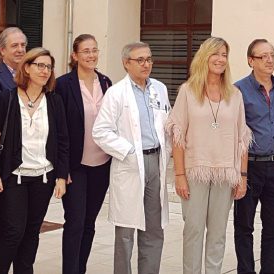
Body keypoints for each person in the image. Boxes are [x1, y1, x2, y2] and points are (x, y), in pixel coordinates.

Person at [0, 47, 69, 274]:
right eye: (40, 65)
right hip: (12, 177)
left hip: (44, 178)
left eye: (48, 66)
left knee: (31, 232)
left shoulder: (54, 102)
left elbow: (63, 142)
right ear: (26, 67)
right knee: (13, 232)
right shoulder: (7, 98)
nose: (45, 71)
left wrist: (61, 176)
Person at [166, 36, 251, 274]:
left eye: (224, 55)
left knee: (218, 233)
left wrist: (242, 175)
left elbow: (242, 138)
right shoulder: (188, 91)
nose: (220, 59)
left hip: (225, 173)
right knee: (193, 230)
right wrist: (180, 175)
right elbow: (178, 134)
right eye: (216, 54)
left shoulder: (235, 94)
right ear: (205, 57)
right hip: (195, 171)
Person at [92, 41, 172, 274]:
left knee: (154, 228)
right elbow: (100, 131)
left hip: (156, 162)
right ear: (126, 63)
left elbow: (166, 124)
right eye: (140, 60)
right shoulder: (116, 93)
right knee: (126, 232)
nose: (146, 64)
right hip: (130, 164)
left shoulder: (160, 88)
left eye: (148, 59)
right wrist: (128, 151)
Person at [56, 34, 115, 274]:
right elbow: (59, 129)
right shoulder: (63, 84)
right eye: (86, 51)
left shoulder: (106, 82)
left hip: (102, 164)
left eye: (95, 50)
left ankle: (80, 269)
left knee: (89, 223)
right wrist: (62, 168)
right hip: (75, 166)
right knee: (75, 222)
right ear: (75, 55)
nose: (91, 55)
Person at [233, 38, 274, 274]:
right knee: (244, 226)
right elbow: (235, 132)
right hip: (250, 167)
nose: (269, 60)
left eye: (272, 55)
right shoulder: (238, 90)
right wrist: (241, 173)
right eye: (263, 56)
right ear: (250, 60)